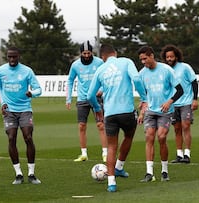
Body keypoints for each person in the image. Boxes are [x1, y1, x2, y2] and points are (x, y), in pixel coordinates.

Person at [87, 44, 147, 192]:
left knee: (111, 146)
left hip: (110, 113)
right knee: (129, 136)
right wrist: (144, 98)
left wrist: (97, 109)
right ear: (116, 53)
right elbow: (137, 79)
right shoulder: (126, 62)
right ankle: (119, 166)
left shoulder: (100, 70)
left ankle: (111, 182)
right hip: (126, 111)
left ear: (102, 57)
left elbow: (89, 95)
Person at [0, 46, 42, 185]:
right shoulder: (1, 71)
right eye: (9, 56)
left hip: (25, 109)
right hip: (9, 110)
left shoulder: (27, 71)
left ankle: (32, 173)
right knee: (11, 138)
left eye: (14, 57)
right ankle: (18, 174)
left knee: (28, 136)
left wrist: (32, 93)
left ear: (18, 56)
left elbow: (39, 89)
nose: (11, 59)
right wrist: (2, 103)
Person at [137, 46, 183, 183]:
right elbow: (143, 95)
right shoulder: (142, 73)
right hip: (150, 110)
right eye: (141, 60)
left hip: (165, 111)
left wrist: (169, 102)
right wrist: (141, 111)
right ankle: (149, 173)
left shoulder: (166, 70)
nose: (143, 62)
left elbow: (180, 90)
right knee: (149, 137)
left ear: (151, 56)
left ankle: (164, 170)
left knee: (161, 137)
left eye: (145, 58)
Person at [66, 40, 107, 162]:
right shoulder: (75, 65)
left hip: (96, 98)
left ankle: (105, 153)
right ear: (81, 53)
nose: (87, 56)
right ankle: (83, 154)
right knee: (82, 126)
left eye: (88, 53)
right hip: (82, 98)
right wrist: (68, 98)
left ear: (92, 52)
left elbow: (106, 78)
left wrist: (102, 89)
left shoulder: (99, 63)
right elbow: (70, 81)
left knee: (101, 125)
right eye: (84, 53)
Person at [160, 45, 198, 164]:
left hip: (186, 102)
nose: (169, 59)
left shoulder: (185, 67)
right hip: (172, 103)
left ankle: (187, 154)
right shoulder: (165, 69)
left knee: (186, 126)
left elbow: (194, 82)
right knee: (176, 129)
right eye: (167, 57)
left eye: (171, 56)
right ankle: (179, 154)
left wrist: (195, 99)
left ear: (176, 56)